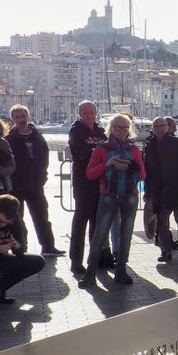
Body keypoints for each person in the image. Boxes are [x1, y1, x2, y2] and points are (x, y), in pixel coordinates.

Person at [78, 114, 146, 287]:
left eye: (124, 128)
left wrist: (133, 167)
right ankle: (90, 272)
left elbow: (143, 175)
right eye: (117, 127)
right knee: (99, 234)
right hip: (108, 196)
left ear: (129, 130)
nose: (121, 131)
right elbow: (90, 174)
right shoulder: (102, 149)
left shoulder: (134, 150)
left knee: (126, 235)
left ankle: (121, 270)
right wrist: (107, 164)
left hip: (129, 196)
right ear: (111, 129)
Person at [5, 105, 65, 257]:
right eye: (17, 117)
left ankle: (48, 246)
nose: (21, 120)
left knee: (42, 217)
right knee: (17, 218)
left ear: (27, 116)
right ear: (13, 119)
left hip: (36, 184)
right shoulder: (9, 139)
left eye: (23, 116)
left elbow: (44, 157)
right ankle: (20, 247)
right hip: (16, 185)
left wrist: (43, 176)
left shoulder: (37, 136)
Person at [143, 117, 178, 263]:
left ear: (167, 127)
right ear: (152, 128)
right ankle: (165, 251)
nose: (159, 128)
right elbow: (147, 171)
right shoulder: (149, 146)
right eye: (156, 126)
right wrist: (147, 192)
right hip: (158, 191)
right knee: (162, 223)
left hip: (177, 188)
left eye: (162, 125)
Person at [68, 101, 108, 274]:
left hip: (100, 182)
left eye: (92, 112)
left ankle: (96, 258)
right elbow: (82, 155)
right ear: (80, 113)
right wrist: (100, 158)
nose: (90, 116)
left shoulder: (100, 131)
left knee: (97, 223)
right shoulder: (75, 131)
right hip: (83, 183)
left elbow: (107, 151)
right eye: (86, 113)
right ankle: (76, 261)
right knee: (80, 222)